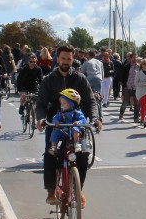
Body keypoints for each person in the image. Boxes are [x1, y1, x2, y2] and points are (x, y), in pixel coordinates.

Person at [37, 45, 101, 206]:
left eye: (69, 59)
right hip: (56, 124)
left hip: (76, 124)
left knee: (83, 155)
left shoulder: (80, 79)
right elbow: (41, 104)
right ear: (57, 59)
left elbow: (90, 101)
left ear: (73, 59)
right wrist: (41, 118)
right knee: (50, 154)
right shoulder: (49, 80)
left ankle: (78, 189)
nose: (66, 62)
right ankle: (51, 191)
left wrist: (95, 118)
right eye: (63, 58)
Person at [48, 88, 87, 153]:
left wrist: (78, 122)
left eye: (64, 103)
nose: (62, 105)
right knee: (55, 132)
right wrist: (56, 122)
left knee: (75, 129)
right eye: (61, 103)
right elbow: (55, 118)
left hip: (73, 132)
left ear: (71, 104)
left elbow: (83, 119)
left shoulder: (77, 113)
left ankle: (76, 144)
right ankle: (53, 147)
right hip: (64, 131)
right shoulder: (61, 113)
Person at [118, 52, 138, 122]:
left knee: (137, 104)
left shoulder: (139, 67)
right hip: (128, 87)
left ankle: (136, 118)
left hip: (136, 88)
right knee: (125, 102)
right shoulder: (126, 66)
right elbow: (122, 78)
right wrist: (124, 87)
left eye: (136, 57)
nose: (135, 59)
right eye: (134, 57)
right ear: (131, 58)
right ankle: (121, 114)